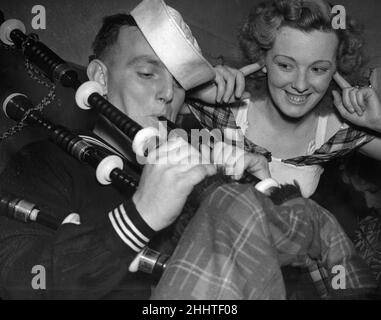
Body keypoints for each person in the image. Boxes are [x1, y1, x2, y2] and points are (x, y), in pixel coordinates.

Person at [0, 0, 268, 299]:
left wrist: (262, 200)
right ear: (100, 78)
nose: (168, 93)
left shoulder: (197, 178)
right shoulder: (45, 162)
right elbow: (21, 284)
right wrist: (139, 217)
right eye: (146, 73)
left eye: (179, 83)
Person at [187, 0, 381, 198]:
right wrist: (192, 88)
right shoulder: (225, 110)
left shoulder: (336, 132)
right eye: (286, 66)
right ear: (262, 61)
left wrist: (378, 122)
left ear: (335, 71)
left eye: (318, 69)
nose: (301, 85)